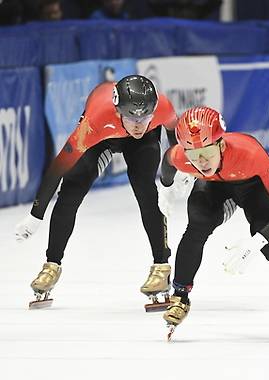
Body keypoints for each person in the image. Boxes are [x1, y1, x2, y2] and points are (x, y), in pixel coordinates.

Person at [159, 106, 269, 341]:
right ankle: (179, 296)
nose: (201, 161)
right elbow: (168, 162)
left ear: (220, 144)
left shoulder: (249, 152)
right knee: (197, 226)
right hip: (213, 188)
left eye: (207, 152)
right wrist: (165, 188)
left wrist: (258, 240)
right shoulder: (182, 156)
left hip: (252, 188)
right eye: (193, 154)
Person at [15, 75, 178, 309]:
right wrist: (35, 215)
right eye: (132, 116)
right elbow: (59, 166)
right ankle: (51, 264)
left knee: (147, 193)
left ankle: (162, 267)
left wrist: (174, 173)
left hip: (143, 146)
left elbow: (175, 138)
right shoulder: (95, 121)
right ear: (118, 110)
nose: (139, 124)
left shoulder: (162, 107)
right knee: (70, 192)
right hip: (103, 138)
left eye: (145, 117)